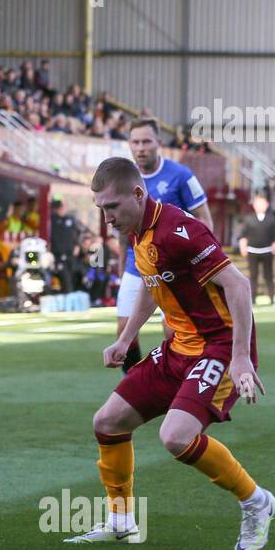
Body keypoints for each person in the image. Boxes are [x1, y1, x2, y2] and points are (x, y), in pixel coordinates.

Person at [71, 157, 275, 550]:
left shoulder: (180, 231)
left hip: (218, 345)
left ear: (137, 193)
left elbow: (239, 287)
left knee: (176, 436)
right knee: (108, 421)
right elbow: (152, 283)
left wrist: (239, 359)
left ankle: (257, 502)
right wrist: (125, 338)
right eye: (101, 210)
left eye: (111, 207)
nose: (107, 218)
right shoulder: (137, 229)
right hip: (179, 347)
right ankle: (120, 521)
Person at [116, 118, 213, 371]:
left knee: (174, 333)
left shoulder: (181, 175)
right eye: (135, 142)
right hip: (135, 265)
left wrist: (202, 260)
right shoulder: (123, 178)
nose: (141, 147)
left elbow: (204, 219)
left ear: (159, 143)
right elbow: (119, 227)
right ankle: (134, 390)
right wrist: (119, 267)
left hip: (175, 268)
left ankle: (184, 390)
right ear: (129, 144)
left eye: (146, 141)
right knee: (123, 333)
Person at [237, 193, 275, 305]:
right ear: (254, 205)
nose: (260, 206)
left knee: (269, 276)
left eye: (262, 203)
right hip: (252, 251)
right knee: (253, 276)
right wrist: (243, 247)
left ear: (267, 205)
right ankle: (253, 300)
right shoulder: (248, 219)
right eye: (258, 204)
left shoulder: (272, 219)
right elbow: (243, 235)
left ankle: (272, 299)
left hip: (267, 251)